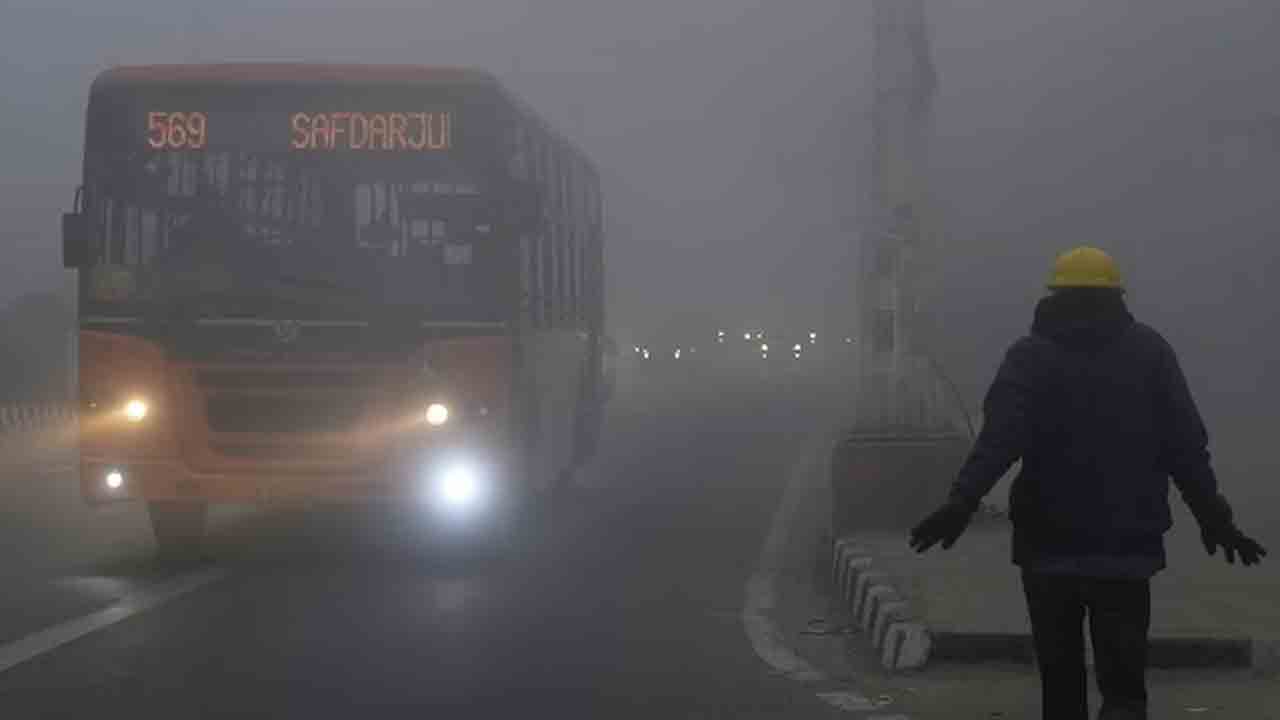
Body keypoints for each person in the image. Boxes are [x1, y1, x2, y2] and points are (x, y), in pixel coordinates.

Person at [908, 246, 1267, 720]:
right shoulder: (1149, 352)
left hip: (1047, 550)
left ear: (1054, 296)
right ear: (1117, 296)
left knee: (1061, 686)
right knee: (1124, 689)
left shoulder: (1029, 357)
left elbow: (998, 441)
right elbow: (1185, 447)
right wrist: (1215, 518)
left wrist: (962, 502)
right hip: (1126, 551)